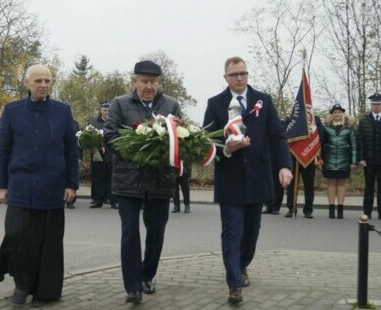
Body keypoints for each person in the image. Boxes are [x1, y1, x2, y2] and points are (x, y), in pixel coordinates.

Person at [202, 56, 292, 303]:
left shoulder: (264, 100)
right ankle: (234, 283)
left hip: (257, 178)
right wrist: (227, 149)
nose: (239, 78)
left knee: (251, 231)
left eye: (243, 73)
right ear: (226, 78)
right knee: (232, 232)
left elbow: (277, 135)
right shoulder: (215, 104)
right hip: (230, 179)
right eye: (234, 75)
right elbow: (207, 142)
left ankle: (242, 264)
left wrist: (284, 165)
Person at [0, 64, 79, 306]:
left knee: (48, 241)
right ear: (27, 83)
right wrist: (1, 185)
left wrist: (72, 184)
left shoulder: (62, 111)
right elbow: (2, 150)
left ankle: (45, 290)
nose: (43, 85)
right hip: (20, 185)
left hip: (52, 186)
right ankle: (22, 284)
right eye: (38, 81)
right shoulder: (12, 110)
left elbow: (72, 151)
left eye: (47, 81)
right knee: (17, 235)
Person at [104, 60, 181, 304]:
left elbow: (179, 136)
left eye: (153, 82)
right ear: (134, 81)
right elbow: (110, 135)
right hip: (128, 179)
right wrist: (136, 149)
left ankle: (147, 274)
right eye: (144, 81)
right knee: (129, 234)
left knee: (156, 231)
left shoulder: (170, 104)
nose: (149, 86)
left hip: (160, 179)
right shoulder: (119, 104)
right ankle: (133, 286)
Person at [320, 104, 356, 219]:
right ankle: (331, 209)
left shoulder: (349, 129)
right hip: (329, 161)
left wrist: (353, 161)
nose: (337, 114)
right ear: (332, 115)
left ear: (342, 114)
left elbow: (354, 146)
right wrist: (319, 159)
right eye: (335, 112)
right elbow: (320, 144)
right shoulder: (326, 128)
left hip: (344, 161)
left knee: (341, 185)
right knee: (330, 185)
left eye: (339, 112)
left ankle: (340, 209)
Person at [284, 115, 323, 219]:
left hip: (309, 155)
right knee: (292, 184)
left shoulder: (315, 119)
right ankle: (291, 208)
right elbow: (285, 135)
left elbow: (321, 136)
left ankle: (308, 210)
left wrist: (318, 154)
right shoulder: (291, 118)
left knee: (309, 184)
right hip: (293, 155)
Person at [357, 93, 381, 219]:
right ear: (371, 105)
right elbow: (359, 141)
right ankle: (367, 212)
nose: (376, 107)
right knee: (369, 188)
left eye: (378, 104)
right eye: (374, 104)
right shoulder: (364, 121)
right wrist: (361, 158)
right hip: (369, 160)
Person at [88, 101, 117, 209]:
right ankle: (98, 200)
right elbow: (88, 137)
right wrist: (95, 147)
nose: (107, 112)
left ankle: (113, 200)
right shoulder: (93, 122)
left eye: (109, 110)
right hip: (97, 154)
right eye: (105, 110)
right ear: (101, 110)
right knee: (98, 177)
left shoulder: (115, 121)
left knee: (112, 178)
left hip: (111, 154)